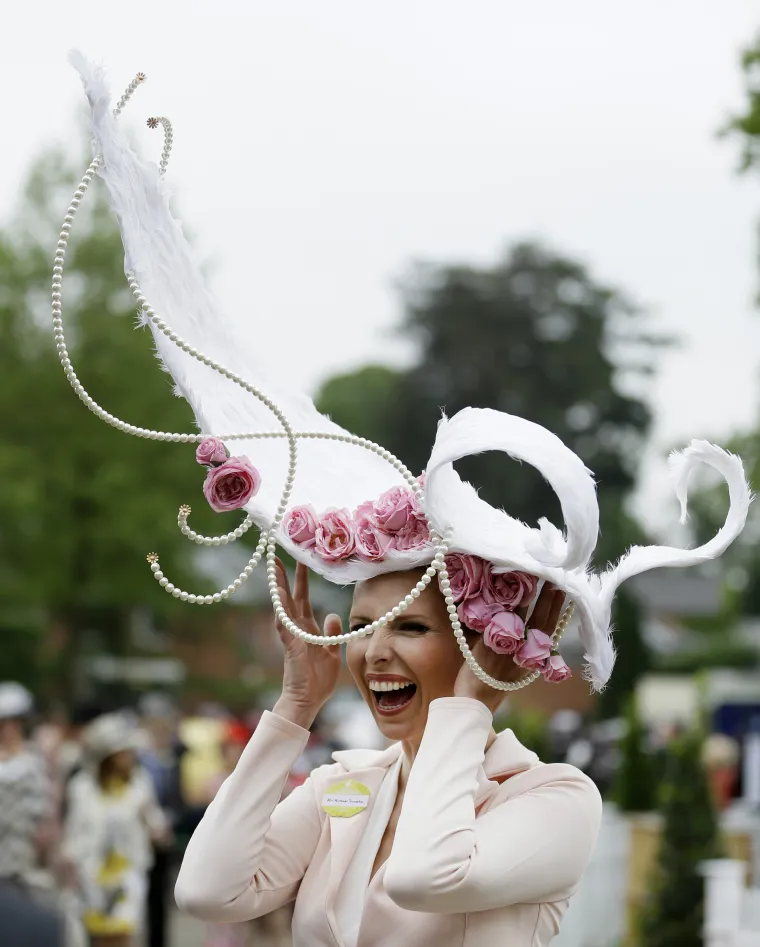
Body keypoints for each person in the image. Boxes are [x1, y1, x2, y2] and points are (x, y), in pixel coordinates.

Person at [62, 55, 752, 946]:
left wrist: (469, 706)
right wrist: (295, 707)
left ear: (478, 637)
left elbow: (430, 876)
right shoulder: (346, 781)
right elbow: (206, 890)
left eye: (411, 625)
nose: (373, 649)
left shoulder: (553, 797)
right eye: (361, 625)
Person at [62, 713, 169, 947]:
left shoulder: (139, 784)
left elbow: (156, 824)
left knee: (123, 934)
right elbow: (73, 831)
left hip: (127, 876)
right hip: (92, 877)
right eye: (123, 752)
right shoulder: (82, 787)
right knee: (96, 937)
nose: (129, 757)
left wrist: (154, 825)